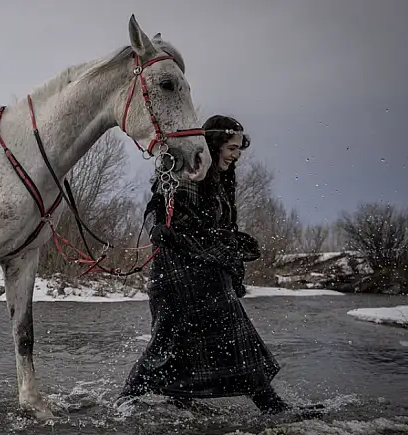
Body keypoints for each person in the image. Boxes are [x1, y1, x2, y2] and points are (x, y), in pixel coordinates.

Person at [117, 115, 320, 415]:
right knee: (174, 341)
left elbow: (215, 228)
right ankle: (127, 399)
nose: (236, 155)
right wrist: (165, 230)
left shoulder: (221, 181)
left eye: (239, 149)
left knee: (217, 339)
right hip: (177, 277)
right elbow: (168, 217)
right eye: (231, 148)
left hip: (205, 275)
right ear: (214, 145)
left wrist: (233, 246)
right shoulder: (189, 172)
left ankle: (175, 399)